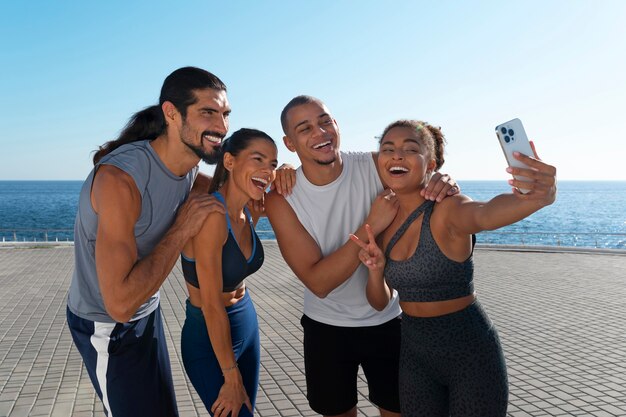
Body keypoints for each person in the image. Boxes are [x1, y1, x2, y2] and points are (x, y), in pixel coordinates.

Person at [264, 96, 458, 417]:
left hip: (389, 321)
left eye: (326, 121)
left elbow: (421, 170)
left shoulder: (374, 166)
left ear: (337, 124)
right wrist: (372, 223)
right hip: (325, 328)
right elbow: (319, 282)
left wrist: (445, 181)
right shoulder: (282, 197)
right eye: (305, 128)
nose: (320, 132)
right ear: (290, 142)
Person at [350, 120, 557, 416]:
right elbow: (381, 301)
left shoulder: (448, 208)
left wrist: (537, 197)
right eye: (388, 149)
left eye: (410, 149)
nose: (397, 155)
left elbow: (485, 214)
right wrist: (374, 269)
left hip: (470, 354)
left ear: (430, 163)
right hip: (414, 355)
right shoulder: (384, 218)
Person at [66, 67, 231, 417]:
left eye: (224, 114)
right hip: (105, 327)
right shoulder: (120, 180)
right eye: (208, 112)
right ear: (172, 113)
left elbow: (230, 194)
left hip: (147, 313)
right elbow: (120, 305)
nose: (221, 126)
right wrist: (182, 228)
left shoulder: (188, 167)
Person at [180, 128, 278, 417]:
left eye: (272, 164)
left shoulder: (249, 210)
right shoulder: (212, 215)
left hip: (246, 323)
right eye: (258, 159)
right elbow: (211, 306)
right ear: (230, 161)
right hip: (208, 336)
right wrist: (230, 375)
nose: (267, 171)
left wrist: (286, 172)